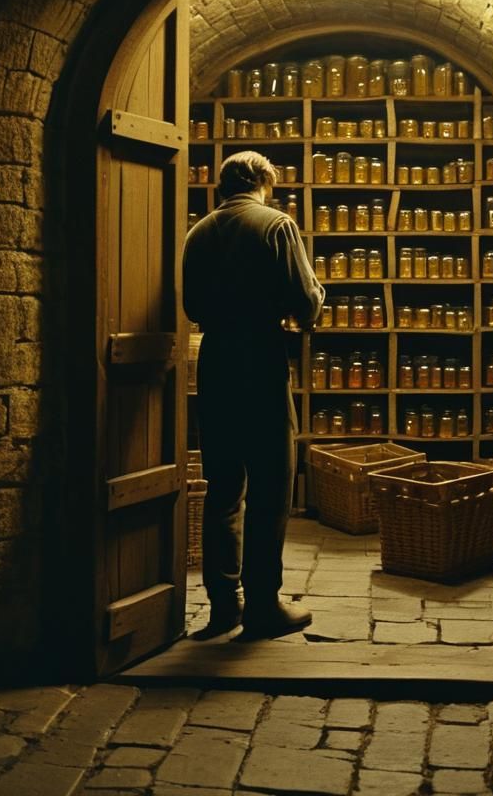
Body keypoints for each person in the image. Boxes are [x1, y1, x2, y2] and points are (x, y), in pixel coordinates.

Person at [182, 150, 325, 639]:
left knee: (222, 489)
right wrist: (305, 304)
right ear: (264, 179)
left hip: (216, 360)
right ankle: (263, 605)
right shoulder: (276, 224)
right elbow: (305, 301)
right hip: (261, 360)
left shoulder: (197, 233)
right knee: (270, 487)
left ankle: (224, 605)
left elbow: (191, 304)